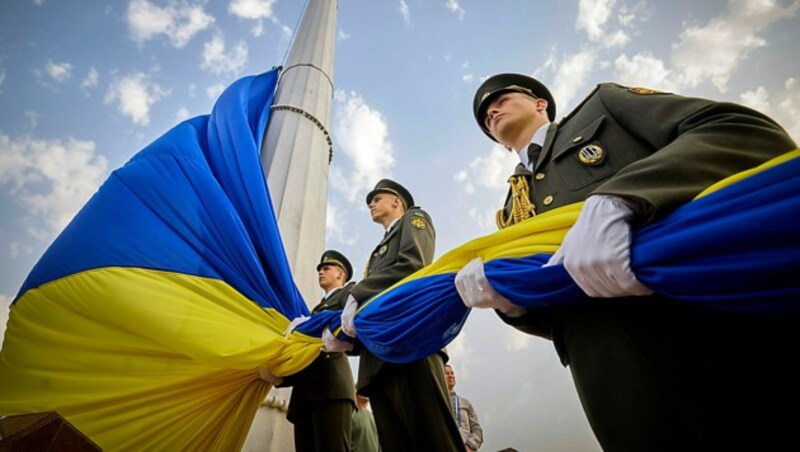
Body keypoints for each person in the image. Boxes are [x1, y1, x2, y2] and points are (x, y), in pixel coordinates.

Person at [456, 73, 798, 451]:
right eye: (486, 114)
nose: (492, 109)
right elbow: (558, 319)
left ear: (540, 104)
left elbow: (737, 130)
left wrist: (625, 195)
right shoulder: (511, 213)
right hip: (618, 394)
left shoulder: (601, 109)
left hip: (712, 345)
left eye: (501, 98)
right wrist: (512, 305)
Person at [339, 178, 463, 452]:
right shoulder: (376, 252)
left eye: (376, 198)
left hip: (411, 342)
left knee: (433, 437)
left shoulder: (414, 219)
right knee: (396, 442)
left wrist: (357, 294)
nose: (371, 203)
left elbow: (412, 264)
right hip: (379, 355)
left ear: (396, 201)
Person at [279, 250, 357, 452]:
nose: (320, 272)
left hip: (332, 388)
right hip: (306, 392)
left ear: (340, 274)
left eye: (326, 268)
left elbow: (349, 326)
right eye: (320, 269)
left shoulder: (349, 294)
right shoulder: (313, 312)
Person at [444, 364, 483, 451]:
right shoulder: (438, 404)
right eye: (446, 373)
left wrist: (469, 446)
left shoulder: (465, 403)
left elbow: (477, 429)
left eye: (452, 373)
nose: (450, 376)